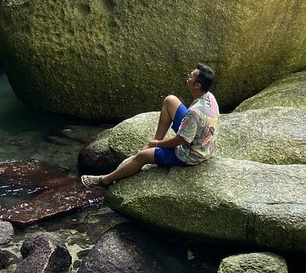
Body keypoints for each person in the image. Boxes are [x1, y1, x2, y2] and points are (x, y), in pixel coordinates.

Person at [81, 63, 219, 187]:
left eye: (191, 76)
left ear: (197, 85)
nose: (188, 77)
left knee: (142, 157)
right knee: (170, 100)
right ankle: (151, 146)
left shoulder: (194, 113)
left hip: (191, 153)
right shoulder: (209, 96)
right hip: (200, 138)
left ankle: (104, 179)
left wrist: (159, 144)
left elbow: (181, 140)